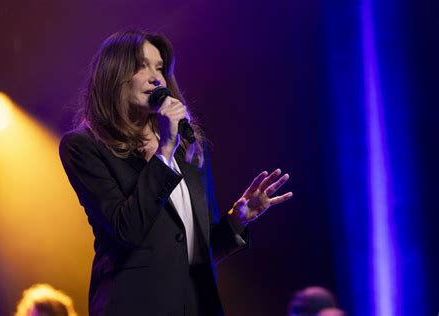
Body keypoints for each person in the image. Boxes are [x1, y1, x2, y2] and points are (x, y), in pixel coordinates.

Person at [59, 30, 292, 316]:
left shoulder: (188, 146)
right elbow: (126, 230)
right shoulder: (84, 146)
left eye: (160, 68)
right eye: (142, 66)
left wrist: (236, 220)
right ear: (114, 74)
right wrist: (164, 149)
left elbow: (194, 252)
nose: (157, 78)